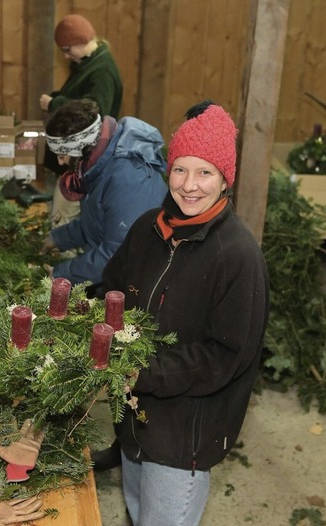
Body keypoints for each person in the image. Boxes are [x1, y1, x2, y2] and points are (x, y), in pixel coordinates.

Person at [97, 101, 270, 525]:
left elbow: (226, 356)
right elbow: (112, 290)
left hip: (184, 435)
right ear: (167, 170)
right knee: (139, 513)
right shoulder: (147, 229)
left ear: (225, 179)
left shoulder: (238, 256)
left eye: (205, 172)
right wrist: (88, 322)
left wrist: (144, 371)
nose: (189, 186)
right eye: (180, 170)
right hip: (135, 419)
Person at [41, 98, 167, 286]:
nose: (60, 162)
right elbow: (98, 221)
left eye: (62, 154)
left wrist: (63, 274)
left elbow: (118, 254)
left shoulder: (128, 176)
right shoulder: (99, 164)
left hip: (138, 286)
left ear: (82, 147)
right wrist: (58, 238)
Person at [40, 14, 124, 226]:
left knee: (67, 215)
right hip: (77, 155)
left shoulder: (102, 71)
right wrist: (60, 95)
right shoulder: (89, 62)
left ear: (81, 41)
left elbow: (94, 114)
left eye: (67, 50)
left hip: (83, 156)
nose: (66, 56)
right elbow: (81, 95)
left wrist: (55, 103)